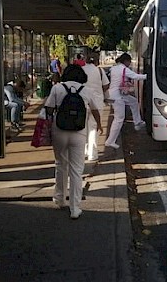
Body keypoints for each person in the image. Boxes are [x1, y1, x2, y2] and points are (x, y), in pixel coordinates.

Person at [44, 64, 103, 219]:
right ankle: (75, 208)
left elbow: (48, 108)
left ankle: (59, 198)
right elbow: (95, 110)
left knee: (60, 164)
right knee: (77, 170)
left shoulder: (57, 88)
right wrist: (100, 125)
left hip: (59, 130)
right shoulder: (86, 90)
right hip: (79, 132)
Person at [104, 53, 147, 149]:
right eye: (129, 61)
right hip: (118, 96)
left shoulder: (114, 68)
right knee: (119, 118)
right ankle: (110, 141)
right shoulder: (124, 69)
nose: (130, 63)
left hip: (114, 94)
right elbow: (136, 77)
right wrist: (148, 76)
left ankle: (137, 122)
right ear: (126, 61)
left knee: (134, 102)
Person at [82, 56, 110, 161]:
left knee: (83, 127)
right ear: (96, 61)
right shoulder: (99, 70)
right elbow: (106, 85)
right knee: (94, 128)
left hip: (83, 102)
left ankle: (84, 150)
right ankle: (92, 154)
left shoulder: (81, 70)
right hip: (97, 103)